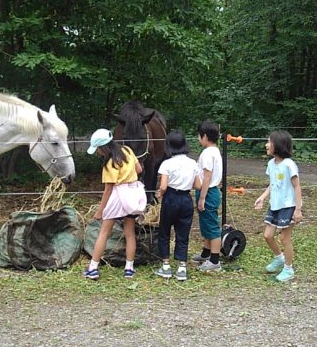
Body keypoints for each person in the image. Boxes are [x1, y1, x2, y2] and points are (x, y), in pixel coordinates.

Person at [84, 128, 146, 280]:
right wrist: (128, 175)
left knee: (104, 232)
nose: (98, 153)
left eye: (97, 149)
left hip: (118, 195)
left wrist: (100, 211)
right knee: (130, 233)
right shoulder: (127, 150)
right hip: (132, 194)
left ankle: (93, 267)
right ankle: (129, 268)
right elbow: (139, 169)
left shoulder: (109, 163)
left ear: (102, 147)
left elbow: (108, 190)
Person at [253, 130, 303, 282]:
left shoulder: (289, 165)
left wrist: (298, 209)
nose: (266, 145)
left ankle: (288, 269)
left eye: (269, 142)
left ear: (278, 145)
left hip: (288, 206)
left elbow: (297, 187)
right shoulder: (271, 164)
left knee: (284, 238)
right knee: (267, 235)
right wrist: (262, 197)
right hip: (274, 205)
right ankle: (279, 258)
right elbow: (272, 184)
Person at [155, 130, 201, 281]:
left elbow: (163, 186)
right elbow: (198, 185)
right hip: (186, 199)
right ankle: (182, 267)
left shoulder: (167, 163)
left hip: (170, 198)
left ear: (168, 145)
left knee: (165, 231)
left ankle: (166, 265)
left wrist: (160, 194)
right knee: (183, 232)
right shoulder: (192, 163)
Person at [190, 120, 223, 272]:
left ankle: (214, 260)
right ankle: (206, 252)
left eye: (199, 136)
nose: (198, 139)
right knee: (206, 224)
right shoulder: (215, 151)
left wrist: (202, 197)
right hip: (209, 191)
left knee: (212, 226)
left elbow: (207, 176)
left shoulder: (208, 154)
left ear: (204, 136)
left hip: (208, 191)